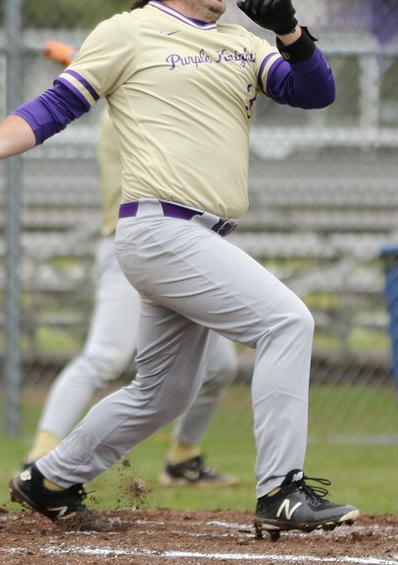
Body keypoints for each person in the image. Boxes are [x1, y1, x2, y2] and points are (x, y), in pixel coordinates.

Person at [0, 0, 359, 537]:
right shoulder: (128, 32)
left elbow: (315, 92)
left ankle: (48, 478)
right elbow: (54, 108)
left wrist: (292, 33)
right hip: (161, 230)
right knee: (287, 321)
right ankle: (282, 492)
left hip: (200, 238)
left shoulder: (241, 41)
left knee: (164, 393)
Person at [24, 112, 240, 488]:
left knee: (219, 365)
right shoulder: (127, 113)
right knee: (105, 357)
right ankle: (40, 457)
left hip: (188, 249)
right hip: (132, 243)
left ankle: (183, 459)